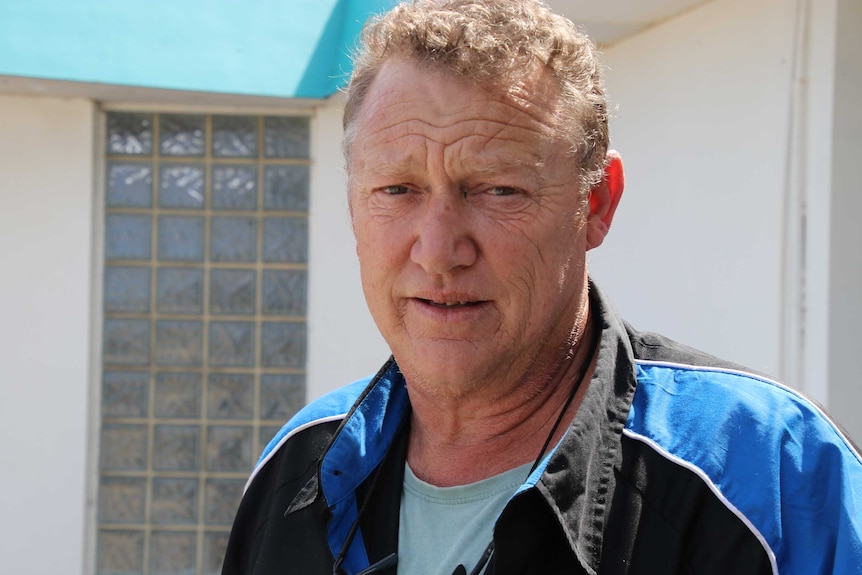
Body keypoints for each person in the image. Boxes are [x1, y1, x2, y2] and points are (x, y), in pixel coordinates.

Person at [222, 0, 862, 573]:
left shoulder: (774, 471)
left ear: (597, 204)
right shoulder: (299, 467)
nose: (441, 252)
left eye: (499, 189)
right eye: (397, 190)